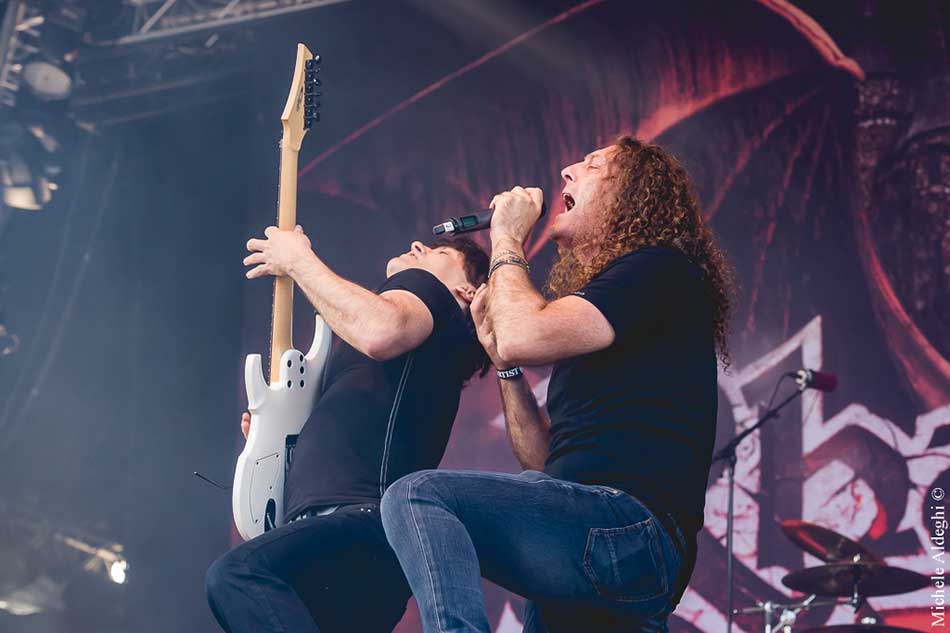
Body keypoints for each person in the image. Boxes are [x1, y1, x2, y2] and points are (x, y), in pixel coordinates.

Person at [380, 136, 736, 633]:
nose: (568, 170)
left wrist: (506, 237)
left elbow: (525, 334)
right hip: (600, 551)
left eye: (594, 166)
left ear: (635, 193)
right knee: (527, 485)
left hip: (624, 529)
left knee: (419, 496)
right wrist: (503, 364)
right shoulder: (612, 312)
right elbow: (543, 462)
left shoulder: (657, 269)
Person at [205, 225, 489, 633]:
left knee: (239, 574)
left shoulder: (431, 294)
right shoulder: (429, 359)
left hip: (360, 519)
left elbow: (381, 330)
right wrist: (276, 437)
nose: (418, 245)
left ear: (466, 292)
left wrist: (298, 259)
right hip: (360, 533)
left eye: (442, 253)